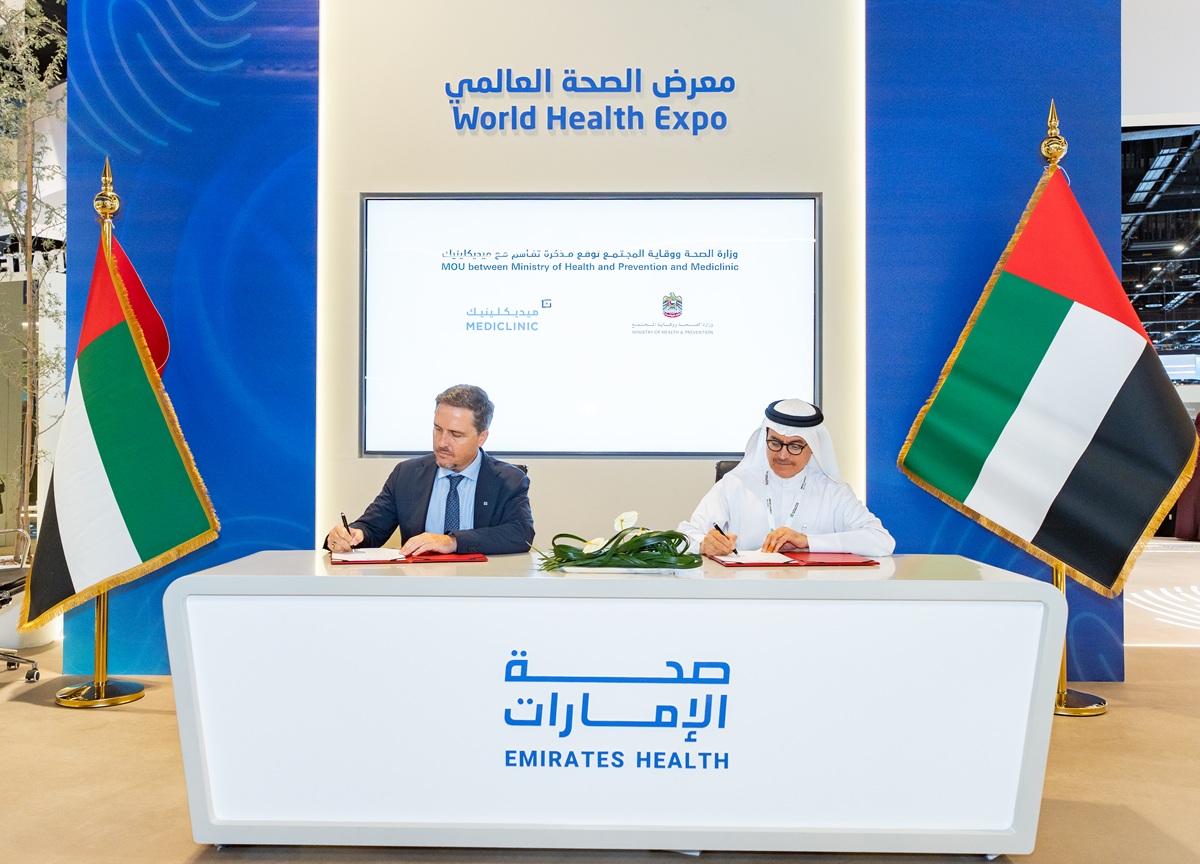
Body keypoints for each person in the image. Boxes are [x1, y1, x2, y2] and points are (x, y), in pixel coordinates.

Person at [326, 385, 534, 556]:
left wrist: (452, 541)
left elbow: (520, 534)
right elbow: (372, 529)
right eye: (438, 429)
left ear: (482, 437)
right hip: (419, 587)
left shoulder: (509, 480)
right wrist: (350, 535)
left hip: (483, 586)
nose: (442, 442)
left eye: (456, 434)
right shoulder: (407, 474)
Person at [679, 399, 894, 557]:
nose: (782, 455)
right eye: (775, 443)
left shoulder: (833, 492)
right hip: (746, 594)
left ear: (812, 448)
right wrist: (704, 544)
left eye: (795, 446)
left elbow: (881, 541)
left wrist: (807, 542)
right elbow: (683, 536)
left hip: (812, 596)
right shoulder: (734, 485)